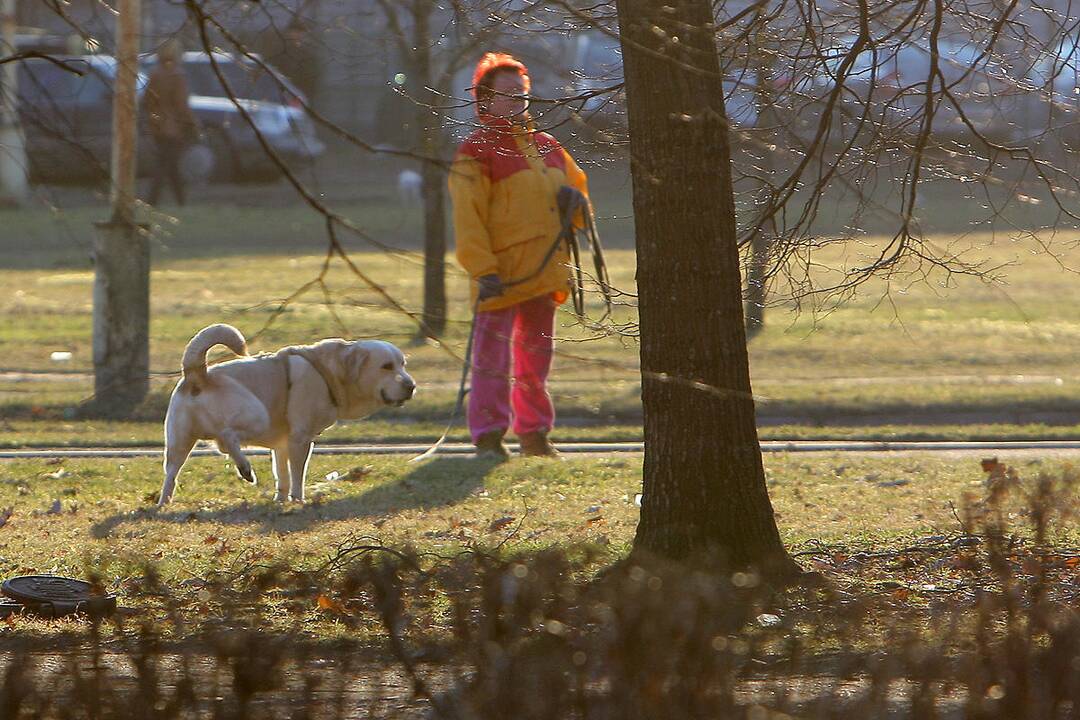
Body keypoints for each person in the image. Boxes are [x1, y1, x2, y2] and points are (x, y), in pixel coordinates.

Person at [448, 52, 591, 460]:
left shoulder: (549, 146)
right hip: (501, 275)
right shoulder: (475, 151)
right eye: (508, 93)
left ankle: (534, 434)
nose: (518, 100)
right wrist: (483, 269)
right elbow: (468, 218)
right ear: (485, 100)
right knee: (492, 360)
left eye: (522, 92)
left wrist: (574, 202)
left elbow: (581, 202)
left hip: (545, 273)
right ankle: (489, 436)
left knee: (535, 359)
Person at [142, 39, 198, 206]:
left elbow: (146, 101)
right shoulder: (177, 75)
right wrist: (193, 124)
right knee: (166, 164)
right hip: (173, 126)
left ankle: (180, 200)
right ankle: (154, 200)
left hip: (157, 125)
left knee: (169, 163)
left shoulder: (155, 74)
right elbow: (182, 105)